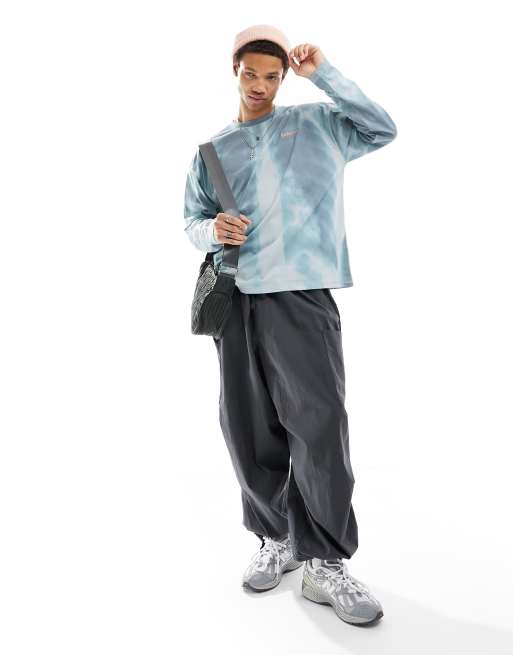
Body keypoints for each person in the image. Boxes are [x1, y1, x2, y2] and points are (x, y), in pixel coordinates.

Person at [183, 23, 397, 626]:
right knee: (247, 427)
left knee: (319, 426)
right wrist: (212, 230)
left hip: (302, 295)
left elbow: (381, 128)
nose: (260, 85)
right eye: (250, 73)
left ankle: (325, 561)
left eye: (272, 76)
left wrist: (322, 72)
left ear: (283, 77)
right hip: (237, 301)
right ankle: (276, 537)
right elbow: (192, 219)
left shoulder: (318, 124)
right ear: (235, 71)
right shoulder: (212, 150)